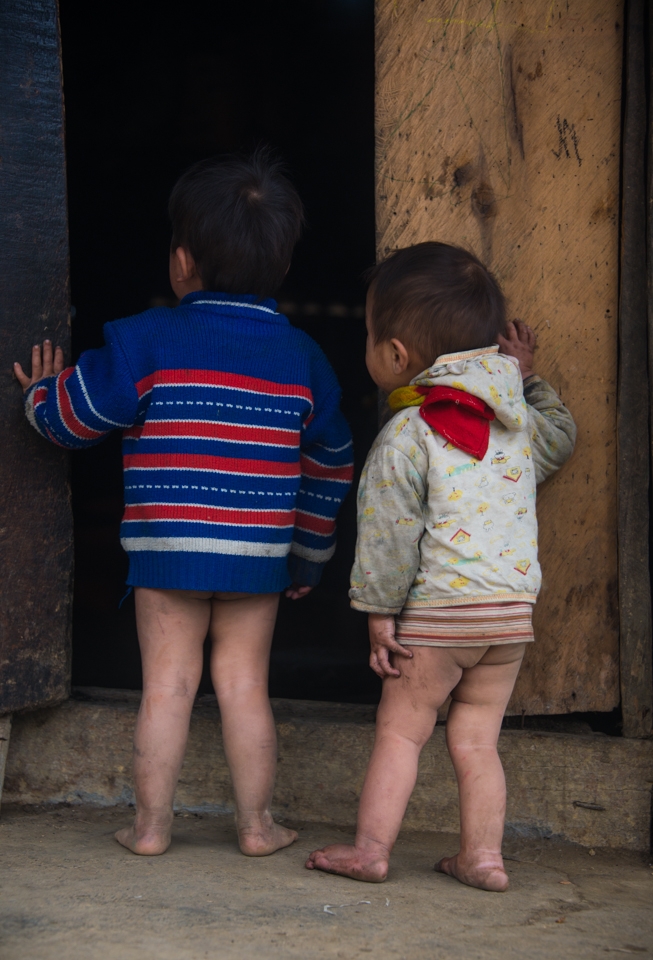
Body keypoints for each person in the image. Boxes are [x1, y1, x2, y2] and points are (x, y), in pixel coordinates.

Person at [15, 151, 353, 858]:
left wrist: (38, 395)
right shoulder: (304, 360)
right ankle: (258, 828)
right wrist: (308, 554)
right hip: (257, 557)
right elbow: (330, 462)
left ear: (180, 262)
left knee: (166, 686)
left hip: (167, 551)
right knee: (244, 686)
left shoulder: (145, 340)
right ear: (282, 267)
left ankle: (148, 829)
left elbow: (74, 421)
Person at [306, 241, 576, 891]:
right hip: (508, 618)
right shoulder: (516, 424)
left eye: (370, 335)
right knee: (477, 742)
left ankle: (371, 850)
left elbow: (388, 537)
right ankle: (482, 858)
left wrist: (378, 615)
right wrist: (524, 378)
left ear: (395, 356)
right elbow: (561, 438)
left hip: (438, 618)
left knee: (401, 733)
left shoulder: (408, 433)